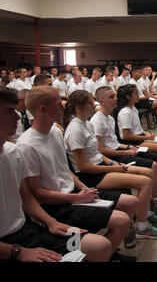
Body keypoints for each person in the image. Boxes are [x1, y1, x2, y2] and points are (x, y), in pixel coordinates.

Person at [16, 86, 138, 261]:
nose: (64, 107)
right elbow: (38, 194)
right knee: (119, 222)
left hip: (74, 193)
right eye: (58, 104)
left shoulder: (55, 132)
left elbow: (64, 169)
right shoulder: (27, 145)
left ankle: (109, 255)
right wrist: (76, 198)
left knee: (128, 207)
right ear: (42, 109)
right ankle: (105, 255)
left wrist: (85, 188)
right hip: (56, 206)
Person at [0, 86, 112, 262]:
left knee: (99, 247)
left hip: (29, 229)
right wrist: (18, 251)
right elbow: (38, 194)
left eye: (15, 110)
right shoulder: (25, 146)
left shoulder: (13, 152)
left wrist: (51, 223)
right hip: (10, 245)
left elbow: (26, 198)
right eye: (8, 112)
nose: (17, 117)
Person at [63, 90, 157, 239]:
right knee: (145, 182)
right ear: (79, 107)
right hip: (91, 176)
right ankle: (142, 227)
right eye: (90, 103)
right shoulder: (75, 129)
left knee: (147, 176)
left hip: (101, 167)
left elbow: (98, 154)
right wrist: (114, 167)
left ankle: (146, 214)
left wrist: (112, 162)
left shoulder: (86, 124)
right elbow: (83, 167)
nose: (94, 105)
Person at [91, 86, 157, 211]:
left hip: (124, 146)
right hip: (119, 151)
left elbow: (115, 142)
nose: (115, 99)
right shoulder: (103, 119)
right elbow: (121, 139)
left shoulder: (110, 117)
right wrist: (127, 149)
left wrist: (128, 147)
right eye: (111, 97)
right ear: (101, 101)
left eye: (115, 96)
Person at [115, 84, 157, 193]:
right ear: (128, 97)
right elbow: (126, 136)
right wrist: (146, 136)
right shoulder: (125, 112)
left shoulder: (133, 108)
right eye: (136, 93)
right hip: (133, 141)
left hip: (141, 136)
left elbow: (138, 128)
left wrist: (146, 133)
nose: (139, 95)